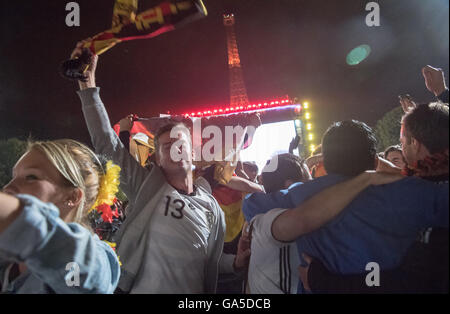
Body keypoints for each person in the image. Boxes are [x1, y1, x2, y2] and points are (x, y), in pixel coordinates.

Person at [72, 42, 235, 294]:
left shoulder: (211, 206)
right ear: (157, 159)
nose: (175, 148)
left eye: (180, 143)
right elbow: (107, 143)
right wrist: (88, 84)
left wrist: (237, 262)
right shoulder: (146, 188)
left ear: (192, 153)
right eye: (166, 146)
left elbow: (211, 261)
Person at [243, 120, 448, 294]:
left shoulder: (300, 195)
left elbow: (250, 205)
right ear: (376, 161)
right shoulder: (407, 191)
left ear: (326, 162)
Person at [299, 102, 449, 293]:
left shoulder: (414, 197)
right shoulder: (424, 184)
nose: (402, 151)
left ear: (415, 145)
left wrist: (322, 281)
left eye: (402, 143)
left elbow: (403, 282)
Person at [0, 139, 121, 293]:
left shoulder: (97, 256)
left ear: (73, 197)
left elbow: (81, 278)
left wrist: (15, 216)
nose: (8, 187)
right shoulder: (8, 255)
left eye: (31, 177)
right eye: (13, 176)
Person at [243, 153, 311, 294]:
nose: (313, 185)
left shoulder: (256, 207)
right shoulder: (275, 213)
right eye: (309, 181)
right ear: (291, 186)